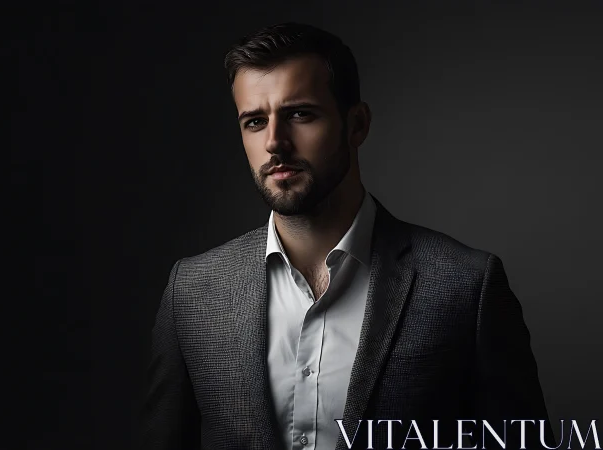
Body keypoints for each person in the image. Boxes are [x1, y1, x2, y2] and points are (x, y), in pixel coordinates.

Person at [137, 22, 552, 450]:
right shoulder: (192, 291)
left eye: (300, 114)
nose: (275, 142)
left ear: (357, 125)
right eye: (255, 121)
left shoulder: (467, 287)